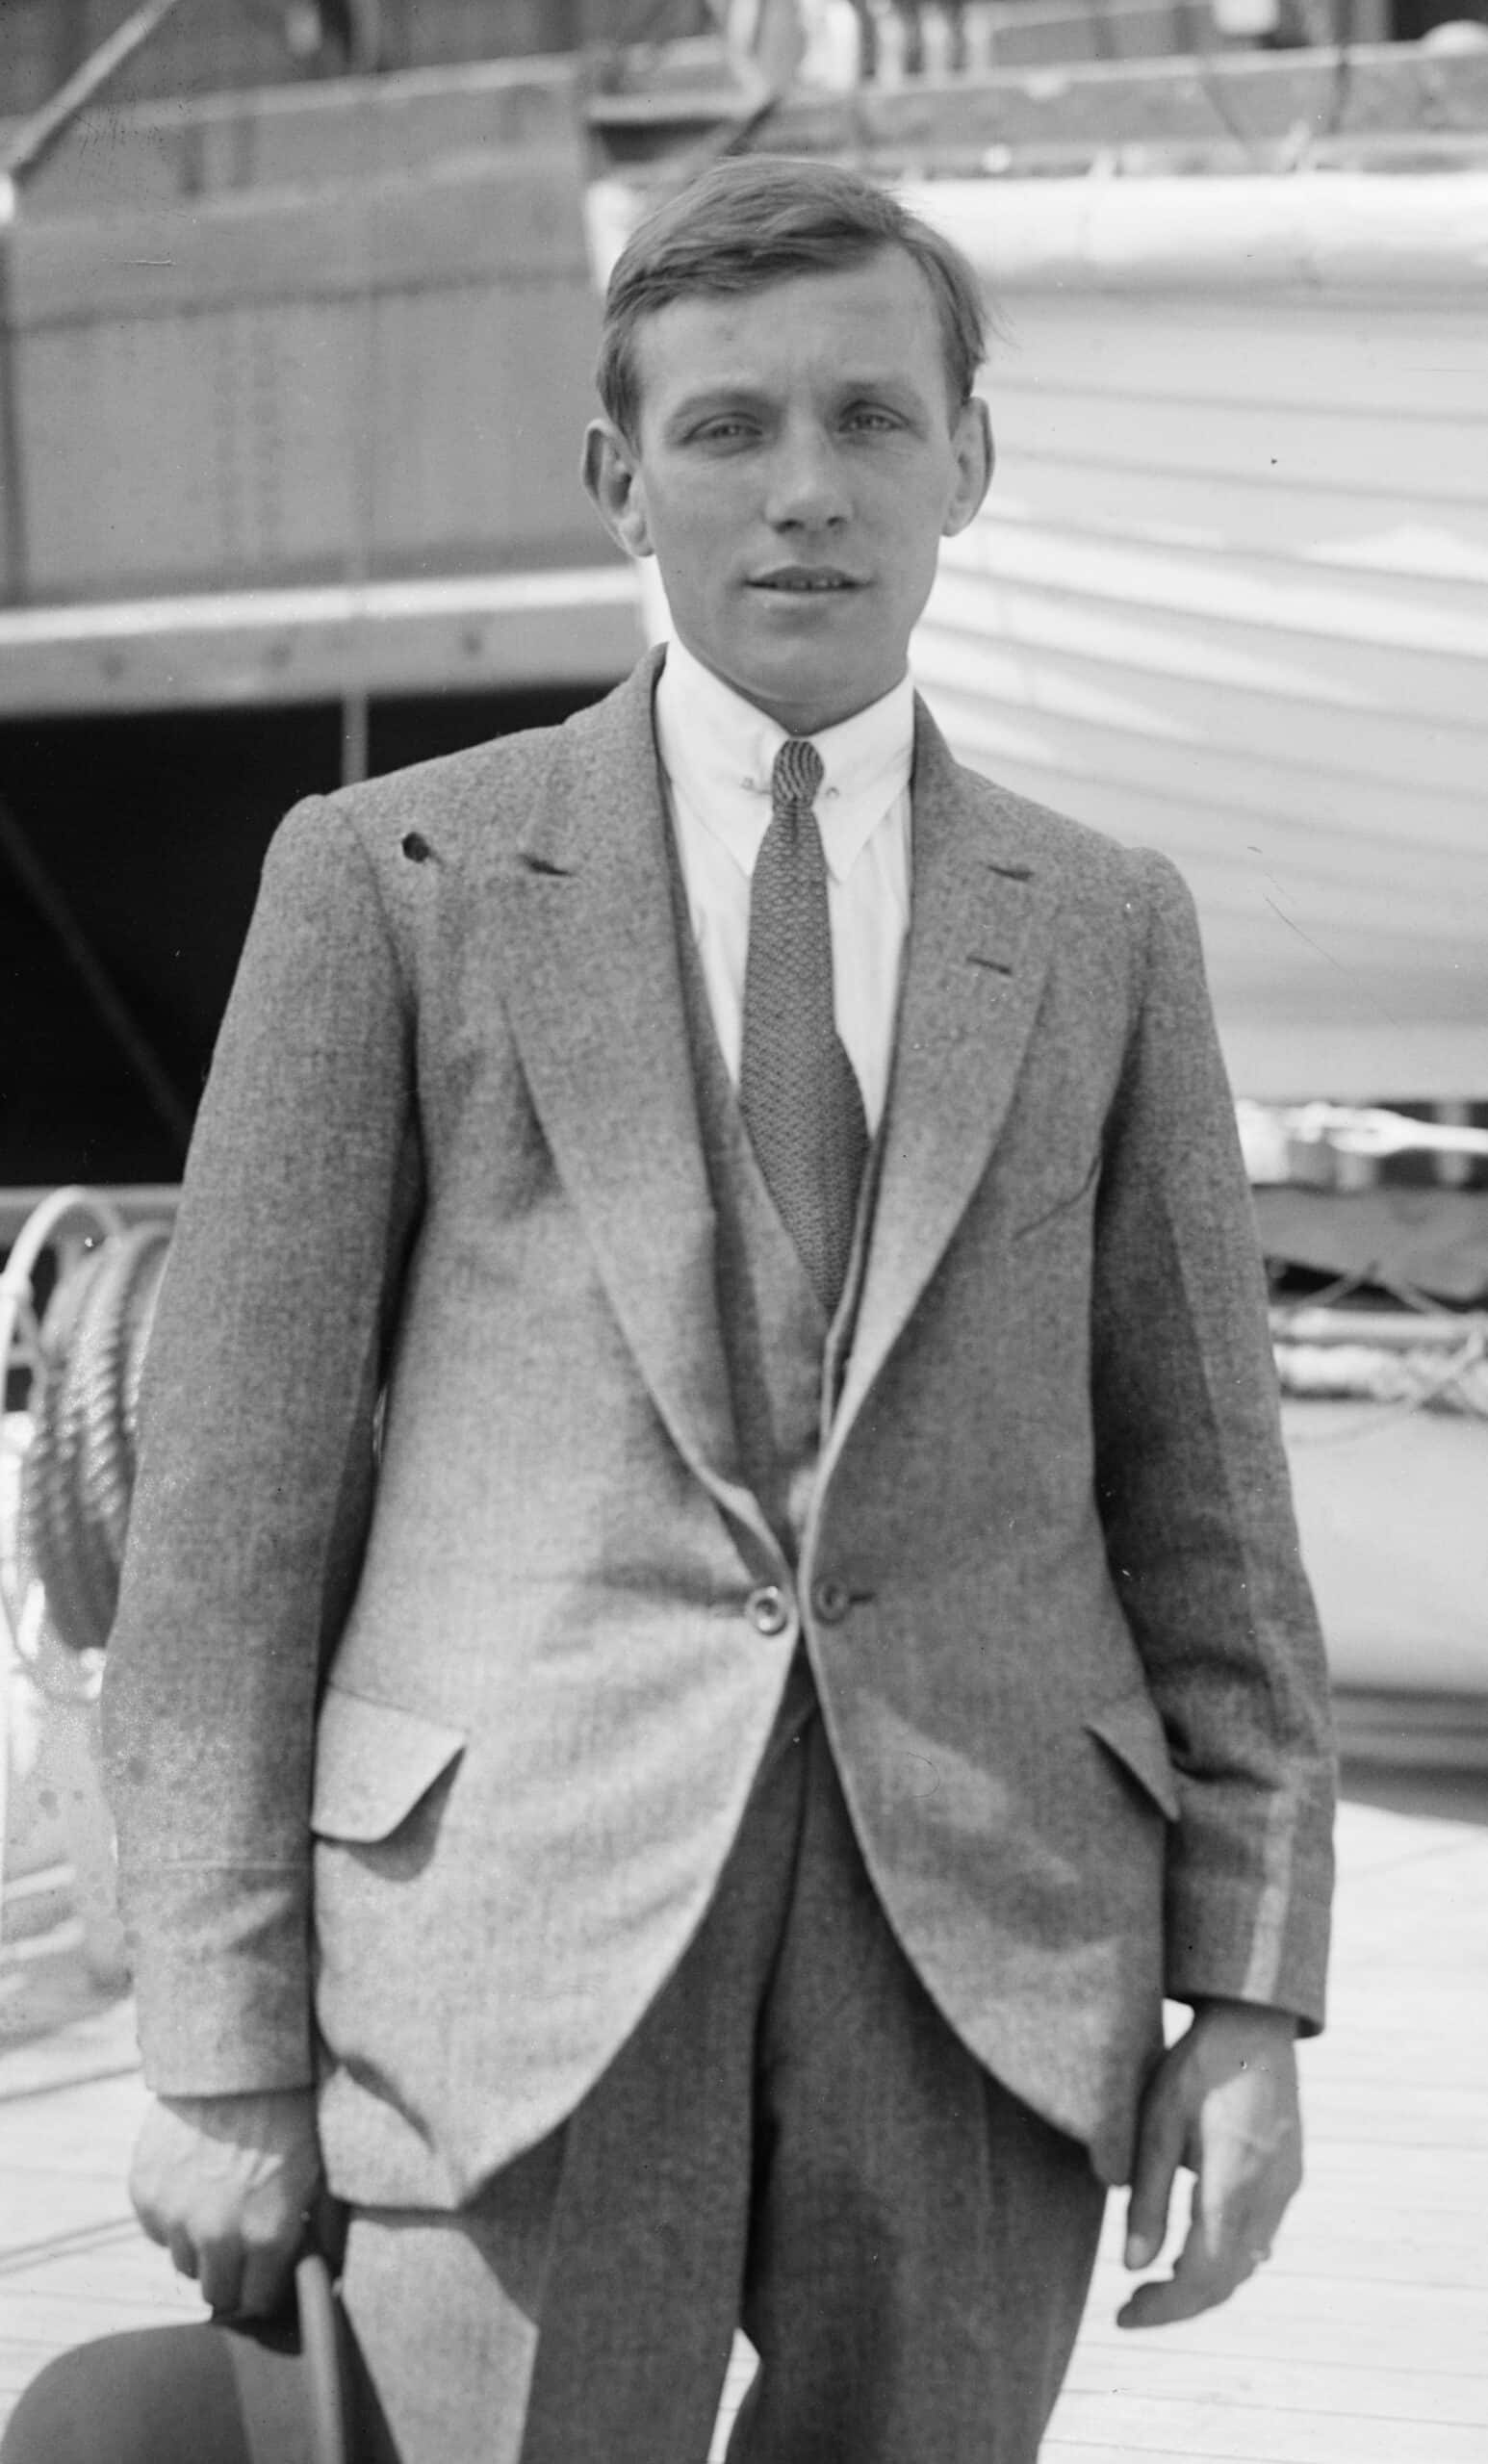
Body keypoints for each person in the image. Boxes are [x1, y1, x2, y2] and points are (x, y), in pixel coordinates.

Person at [69, 156, 1332, 2463]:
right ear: (615, 478)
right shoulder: (390, 881)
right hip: (499, 1969)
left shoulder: (1100, 923)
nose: (805, 493)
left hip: (982, 1976)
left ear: (967, 459)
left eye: (868, 420)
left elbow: (1206, 1503)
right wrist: (219, 2038)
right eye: (729, 428)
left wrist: (1245, 1995)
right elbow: (229, 1522)